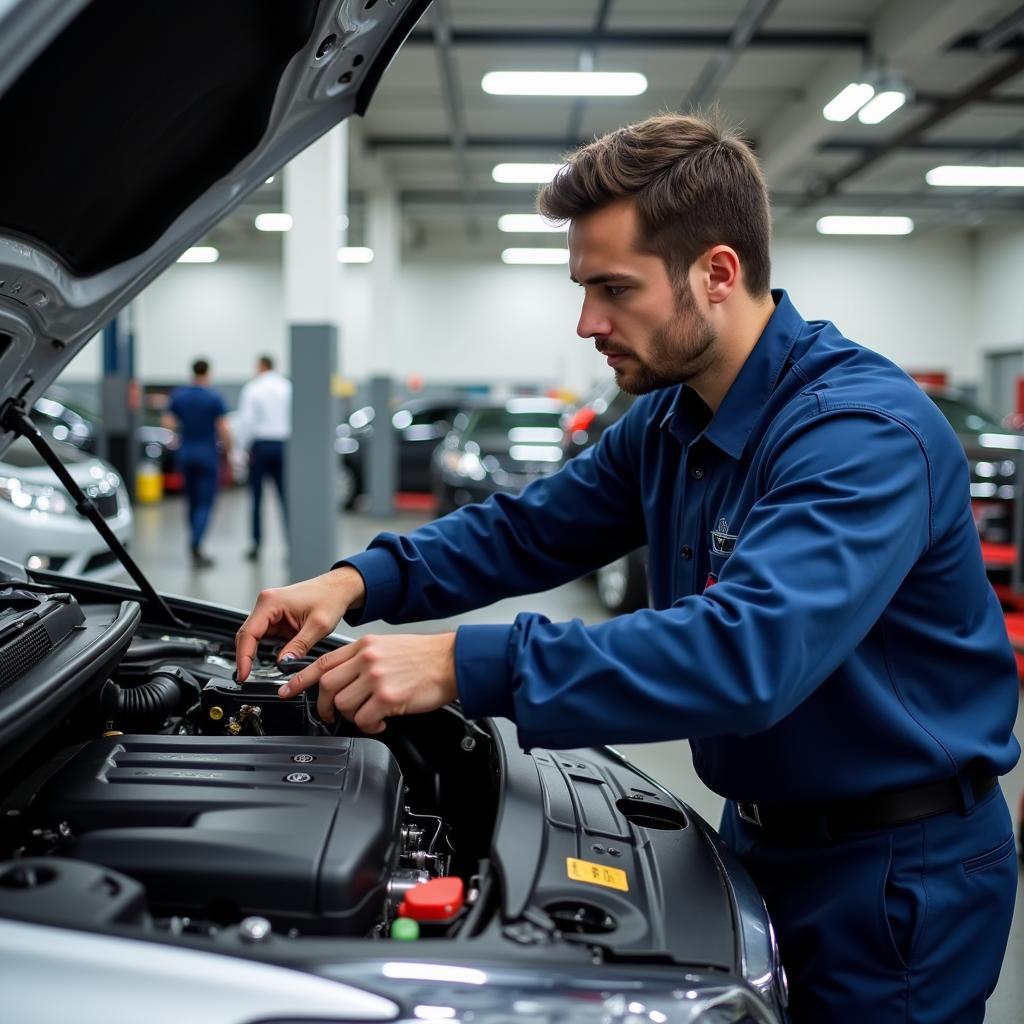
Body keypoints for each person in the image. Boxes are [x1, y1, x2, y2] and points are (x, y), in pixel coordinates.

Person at [234, 114, 1020, 1023]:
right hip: (759, 834)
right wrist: (360, 579)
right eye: (583, 288)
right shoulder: (673, 417)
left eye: (614, 289)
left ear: (717, 273)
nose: (587, 323)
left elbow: (743, 654)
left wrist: (456, 664)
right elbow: (530, 531)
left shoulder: (858, 435)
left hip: (893, 873)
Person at [163, 358, 231, 568]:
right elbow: (223, 428)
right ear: (208, 373)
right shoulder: (213, 397)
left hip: (186, 453)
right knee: (205, 503)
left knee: (191, 502)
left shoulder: (179, 395)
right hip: (207, 455)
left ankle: (193, 540)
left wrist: (179, 435)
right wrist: (229, 449)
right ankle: (196, 543)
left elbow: (168, 422)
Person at [234, 354, 291, 560]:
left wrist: (241, 450)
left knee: (256, 497)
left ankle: (256, 545)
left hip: (260, 445)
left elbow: (246, 421)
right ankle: (291, 544)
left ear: (261, 366)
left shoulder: (253, 388)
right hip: (283, 444)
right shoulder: (287, 387)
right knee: (285, 497)